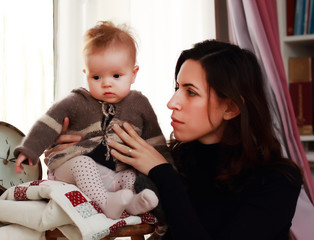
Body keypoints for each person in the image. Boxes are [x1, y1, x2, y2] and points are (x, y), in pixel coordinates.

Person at [46, 40, 302, 240]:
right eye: (177, 88)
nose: (172, 103)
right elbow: (96, 195)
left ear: (231, 108)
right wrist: (67, 152)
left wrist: (163, 173)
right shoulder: (173, 158)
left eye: (190, 92)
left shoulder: (277, 181)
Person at [14, 21, 172, 220]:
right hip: (71, 170)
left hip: (112, 175)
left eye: (116, 75)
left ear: (133, 73)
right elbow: (48, 123)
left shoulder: (139, 104)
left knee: (130, 175)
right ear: (86, 74)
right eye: (96, 77)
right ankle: (106, 203)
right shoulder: (76, 101)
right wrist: (29, 150)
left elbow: (155, 141)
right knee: (83, 163)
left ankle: (131, 202)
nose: (106, 83)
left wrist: (169, 169)